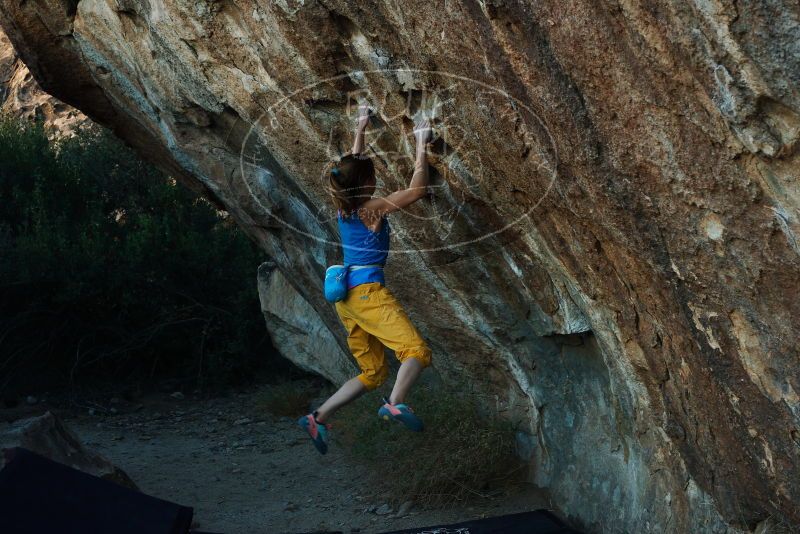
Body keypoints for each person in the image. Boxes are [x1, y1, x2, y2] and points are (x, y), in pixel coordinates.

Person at [297, 105, 434, 455]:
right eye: (371, 176)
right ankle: (395, 402)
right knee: (415, 351)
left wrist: (360, 125)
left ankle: (319, 416)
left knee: (372, 372)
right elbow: (416, 190)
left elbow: (351, 165)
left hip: (347, 299)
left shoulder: (342, 200)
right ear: (366, 184)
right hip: (368, 294)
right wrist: (421, 142)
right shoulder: (370, 208)